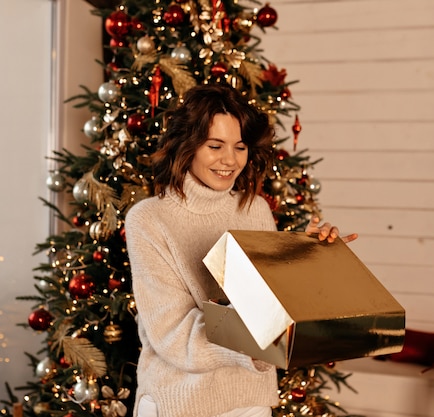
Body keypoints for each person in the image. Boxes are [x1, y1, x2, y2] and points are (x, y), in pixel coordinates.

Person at [124, 83, 358, 417]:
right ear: (187, 146)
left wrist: (309, 255)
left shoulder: (255, 210)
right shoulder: (149, 219)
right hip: (179, 402)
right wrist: (252, 350)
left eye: (240, 146)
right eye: (215, 145)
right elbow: (172, 334)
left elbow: (272, 305)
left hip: (250, 402)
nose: (230, 160)